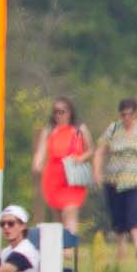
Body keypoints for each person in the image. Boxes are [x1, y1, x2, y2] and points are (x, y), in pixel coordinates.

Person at [92, 97, 137, 263]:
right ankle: (121, 247)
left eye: (129, 114)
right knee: (118, 215)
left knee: (136, 210)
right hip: (115, 180)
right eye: (123, 115)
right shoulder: (113, 129)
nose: (126, 118)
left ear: (135, 114)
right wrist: (97, 171)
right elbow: (100, 151)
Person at [30, 96, 90, 238]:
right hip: (54, 177)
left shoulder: (79, 129)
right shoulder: (50, 131)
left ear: (70, 112)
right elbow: (41, 151)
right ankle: (60, 249)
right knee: (57, 216)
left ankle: (69, 247)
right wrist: (37, 164)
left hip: (73, 177)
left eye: (63, 111)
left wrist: (80, 158)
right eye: (57, 112)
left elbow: (90, 150)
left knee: (70, 210)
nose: (59, 115)